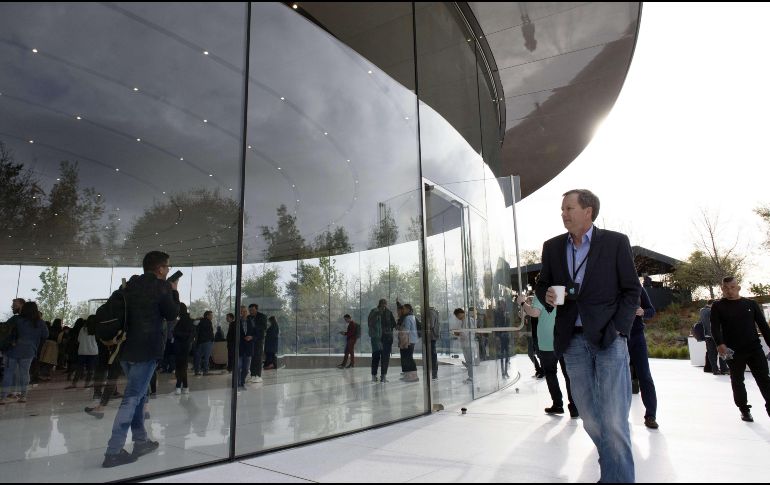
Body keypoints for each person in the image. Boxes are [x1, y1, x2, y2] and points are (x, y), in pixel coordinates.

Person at [536, 189, 641, 483]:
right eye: (562, 209)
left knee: (614, 420)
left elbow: (631, 290)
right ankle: (612, 465)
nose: (564, 214)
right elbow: (544, 285)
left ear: (588, 211)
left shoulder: (616, 242)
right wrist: (549, 295)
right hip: (572, 340)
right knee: (590, 418)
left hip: (609, 337)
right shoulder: (553, 247)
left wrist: (621, 329)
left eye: (569, 208)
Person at [102, 251, 180, 468]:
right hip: (146, 351)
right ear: (160, 269)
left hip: (125, 350)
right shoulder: (161, 286)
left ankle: (141, 441)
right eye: (167, 267)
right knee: (132, 398)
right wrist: (174, 292)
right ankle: (113, 451)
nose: (168, 271)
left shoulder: (130, 285)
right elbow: (172, 314)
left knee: (139, 395)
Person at [711, 276, 770, 423]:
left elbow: (763, 326)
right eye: (726, 288)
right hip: (733, 351)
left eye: (732, 287)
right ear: (722, 289)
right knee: (737, 380)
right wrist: (720, 344)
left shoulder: (751, 304)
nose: (729, 291)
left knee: (764, 379)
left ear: (738, 287)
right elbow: (714, 328)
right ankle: (744, 409)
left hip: (754, 348)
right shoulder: (718, 306)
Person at [519, 294, 578, 418]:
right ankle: (574, 407)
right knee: (568, 375)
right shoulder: (562, 291)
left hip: (547, 342)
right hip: (563, 339)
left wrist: (522, 303)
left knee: (551, 374)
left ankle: (558, 405)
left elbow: (534, 312)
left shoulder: (542, 293)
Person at [0, 301, 48, 404]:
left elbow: (4, 329)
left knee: (8, 373)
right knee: (25, 374)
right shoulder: (39, 322)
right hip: (29, 351)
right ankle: (23, 396)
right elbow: (45, 335)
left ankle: (3, 397)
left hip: (12, 350)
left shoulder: (17, 319)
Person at [627, 287, 659, 429]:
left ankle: (651, 416)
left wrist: (643, 312)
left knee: (645, 376)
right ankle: (619, 416)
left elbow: (651, 311)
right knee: (619, 379)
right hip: (617, 338)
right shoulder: (610, 284)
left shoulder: (639, 289)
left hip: (637, 337)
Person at [368, 299, 396, 383]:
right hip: (377, 338)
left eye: (385, 304)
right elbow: (370, 323)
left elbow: (393, 324)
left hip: (386, 338)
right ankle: (375, 376)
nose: (384, 306)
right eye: (383, 304)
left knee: (384, 358)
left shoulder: (388, 312)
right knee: (376, 357)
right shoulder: (374, 311)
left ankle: (382, 376)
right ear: (380, 304)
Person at [67, 316, 99, 389]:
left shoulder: (82, 329)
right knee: (91, 369)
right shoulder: (96, 329)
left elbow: (79, 340)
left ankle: (74, 384)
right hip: (93, 352)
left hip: (82, 351)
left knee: (79, 368)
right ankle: (87, 384)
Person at [701, 300, 729, 375]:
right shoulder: (712, 311)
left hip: (707, 335)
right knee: (722, 350)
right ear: (712, 304)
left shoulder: (702, 311)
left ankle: (715, 370)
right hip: (716, 335)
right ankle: (724, 369)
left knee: (712, 353)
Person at [173, 303, 194, 394]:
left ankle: (178, 386)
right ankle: (185, 386)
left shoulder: (183, 321)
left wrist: (175, 333)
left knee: (180, 367)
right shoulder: (187, 320)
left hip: (181, 346)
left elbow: (186, 334)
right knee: (183, 366)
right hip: (185, 346)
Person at [452, 308, 475, 383]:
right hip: (465, 343)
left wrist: (458, 333)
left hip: (469, 343)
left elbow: (468, 333)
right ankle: (470, 376)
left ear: (461, 313)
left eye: (457, 315)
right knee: (468, 361)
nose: (457, 317)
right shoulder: (463, 321)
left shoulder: (468, 320)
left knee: (470, 361)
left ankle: (471, 377)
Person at [238, 306, 257, 389]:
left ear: (247, 312)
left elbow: (257, 335)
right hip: (239, 348)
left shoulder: (252, 322)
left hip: (249, 348)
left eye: (245, 311)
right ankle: (238, 383)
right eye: (242, 311)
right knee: (238, 367)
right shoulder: (236, 323)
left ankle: (242, 381)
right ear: (240, 313)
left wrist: (252, 337)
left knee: (246, 368)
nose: (244, 313)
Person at [399, 304, 419, 382]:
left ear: (408, 309)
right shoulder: (412, 316)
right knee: (409, 357)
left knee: (408, 358)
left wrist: (400, 328)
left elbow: (406, 330)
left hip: (408, 340)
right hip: (412, 339)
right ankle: (411, 376)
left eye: (404, 309)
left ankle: (413, 376)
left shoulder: (407, 318)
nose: (402, 310)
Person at [248, 304, 267, 384]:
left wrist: (254, 330)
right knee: (252, 357)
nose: (251, 311)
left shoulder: (262, 316)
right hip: (250, 340)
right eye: (250, 310)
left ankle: (258, 375)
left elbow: (263, 328)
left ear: (256, 309)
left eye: (252, 309)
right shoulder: (249, 317)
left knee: (258, 357)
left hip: (258, 340)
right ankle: (253, 375)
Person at [193, 311, 214, 376]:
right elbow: (210, 333)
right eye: (210, 315)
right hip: (207, 342)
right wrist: (212, 340)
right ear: (207, 316)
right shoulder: (208, 322)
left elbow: (194, 324)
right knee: (206, 357)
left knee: (198, 357)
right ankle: (205, 371)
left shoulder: (200, 321)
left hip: (200, 342)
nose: (212, 317)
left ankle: (197, 371)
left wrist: (198, 319)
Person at [427, 306, 440, 380]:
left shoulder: (431, 312)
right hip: (433, 336)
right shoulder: (434, 312)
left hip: (431, 336)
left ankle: (434, 374)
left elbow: (431, 325)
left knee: (433, 355)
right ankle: (434, 373)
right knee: (433, 355)